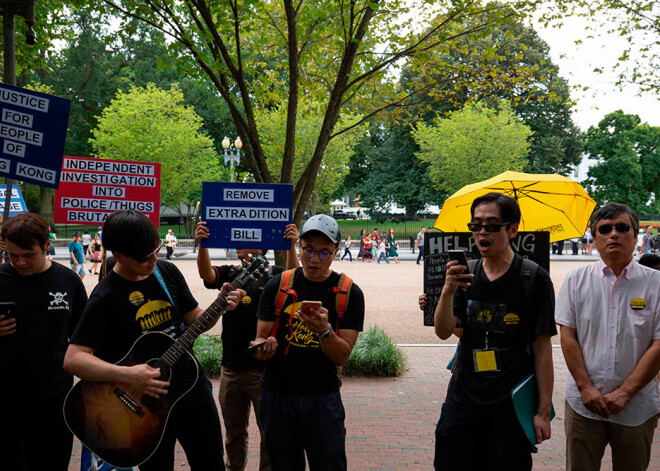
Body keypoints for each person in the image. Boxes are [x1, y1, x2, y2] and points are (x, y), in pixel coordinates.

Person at [64, 210, 245, 471]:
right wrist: (127, 374)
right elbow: (73, 359)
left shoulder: (166, 272)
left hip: (191, 390)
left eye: (156, 251)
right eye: (144, 257)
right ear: (120, 254)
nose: (153, 260)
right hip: (142, 410)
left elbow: (194, 319)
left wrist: (220, 307)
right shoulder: (105, 297)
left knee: (211, 464)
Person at [432, 192, 556, 470]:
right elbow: (445, 331)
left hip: (510, 407)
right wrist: (447, 290)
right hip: (463, 402)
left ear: (512, 229)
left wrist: (543, 411)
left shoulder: (534, 278)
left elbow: (542, 346)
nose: (482, 232)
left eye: (491, 225)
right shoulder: (465, 275)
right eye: (476, 225)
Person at [252, 214, 365, 471]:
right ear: (299, 246)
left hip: (322, 398)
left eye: (324, 252)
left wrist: (324, 331)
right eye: (309, 250)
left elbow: (342, 356)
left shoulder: (348, 293)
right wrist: (262, 349)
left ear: (336, 252)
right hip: (277, 395)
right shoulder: (278, 285)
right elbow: (261, 337)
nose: (314, 259)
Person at [555, 202, 660, 471]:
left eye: (622, 227)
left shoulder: (656, 283)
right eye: (605, 229)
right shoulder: (576, 279)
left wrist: (626, 392)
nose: (613, 234)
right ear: (594, 236)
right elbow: (568, 337)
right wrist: (585, 387)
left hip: (637, 407)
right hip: (583, 406)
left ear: (635, 236)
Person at [194, 220, 299, 471]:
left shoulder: (275, 274)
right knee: (233, 434)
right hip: (231, 368)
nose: (237, 244)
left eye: (245, 240)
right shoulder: (231, 273)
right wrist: (202, 245)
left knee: (269, 434)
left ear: (261, 247)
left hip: (265, 371)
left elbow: (295, 279)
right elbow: (207, 274)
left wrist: (292, 245)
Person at [0, 213, 88, 470]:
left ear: (47, 246)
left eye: (28, 255)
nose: (19, 262)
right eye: (12, 255)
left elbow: (83, 338)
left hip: (54, 400)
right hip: (5, 401)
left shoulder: (67, 281)